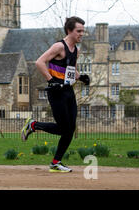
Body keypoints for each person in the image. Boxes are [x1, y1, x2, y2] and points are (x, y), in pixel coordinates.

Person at [21, 16, 90, 173]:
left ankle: (56, 162)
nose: (81, 34)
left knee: (70, 129)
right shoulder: (59, 46)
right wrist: (51, 80)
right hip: (56, 92)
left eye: (83, 31)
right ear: (69, 31)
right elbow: (40, 62)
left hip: (68, 91)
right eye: (79, 31)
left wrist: (81, 77)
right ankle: (33, 125)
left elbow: (70, 71)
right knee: (63, 128)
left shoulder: (76, 51)